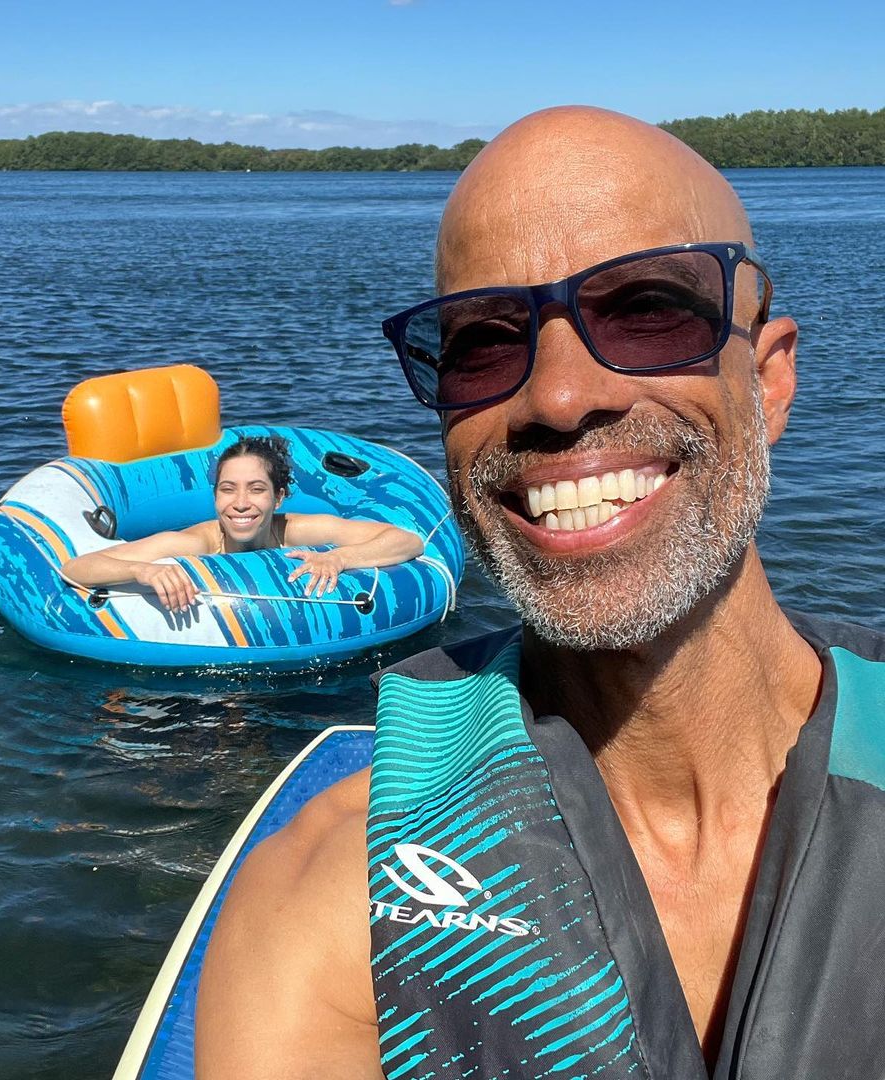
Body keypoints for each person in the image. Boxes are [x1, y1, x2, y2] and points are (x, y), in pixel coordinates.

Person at [194, 107, 885, 1080]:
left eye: (648, 310)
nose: (559, 398)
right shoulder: (336, 900)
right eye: (481, 341)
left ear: (769, 381)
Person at [61, 435, 424, 610]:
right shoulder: (196, 543)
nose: (240, 504)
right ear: (215, 497)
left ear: (278, 498)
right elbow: (77, 568)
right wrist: (143, 570)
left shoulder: (295, 530)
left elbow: (408, 541)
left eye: (256, 489)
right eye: (228, 489)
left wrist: (338, 558)